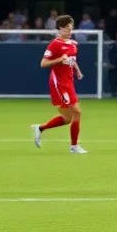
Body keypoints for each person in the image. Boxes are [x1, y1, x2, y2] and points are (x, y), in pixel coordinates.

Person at [32, 15, 87, 154]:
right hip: (59, 83)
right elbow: (43, 63)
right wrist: (59, 59)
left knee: (68, 119)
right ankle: (74, 146)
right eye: (67, 28)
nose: (70, 31)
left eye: (71, 28)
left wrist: (78, 71)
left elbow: (72, 60)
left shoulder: (72, 44)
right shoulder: (55, 44)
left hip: (69, 82)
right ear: (61, 29)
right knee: (77, 112)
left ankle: (40, 128)